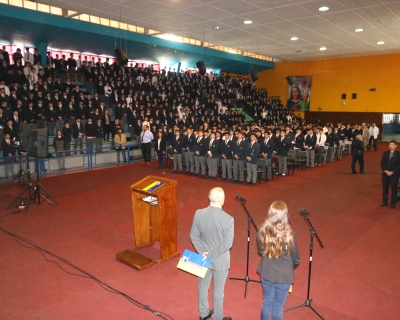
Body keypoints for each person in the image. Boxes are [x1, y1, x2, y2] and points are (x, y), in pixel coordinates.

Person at [190, 187, 234, 320]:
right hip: (220, 259)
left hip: (203, 258)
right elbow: (227, 244)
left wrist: (203, 252)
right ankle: (218, 317)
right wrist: (211, 254)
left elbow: (194, 235)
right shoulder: (228, 219)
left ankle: (203, 313)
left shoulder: (199, 213)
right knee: (218, 291)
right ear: (222, 199)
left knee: (202, 287)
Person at [257, 201, 300, 320]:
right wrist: (287, 268)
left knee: (267, 303)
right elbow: (296, 259)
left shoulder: (261, 230)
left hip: (267, 272)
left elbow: (261, 251)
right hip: (284, 276)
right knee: (277, 307)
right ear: (285, 216)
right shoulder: (290, 235)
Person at [380, 140, 400, 208]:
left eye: (392, 145)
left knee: (394, 189)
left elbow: (399, 165)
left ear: (395, 146)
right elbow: (382, 163)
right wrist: (385, 170)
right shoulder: (385, 153)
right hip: (385, 174)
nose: (390, 146)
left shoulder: (398, 154)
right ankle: (385, 201)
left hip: (394, 175)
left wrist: (392, 172)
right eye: (389, 145)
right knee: (385, 188)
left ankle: (393, 203)